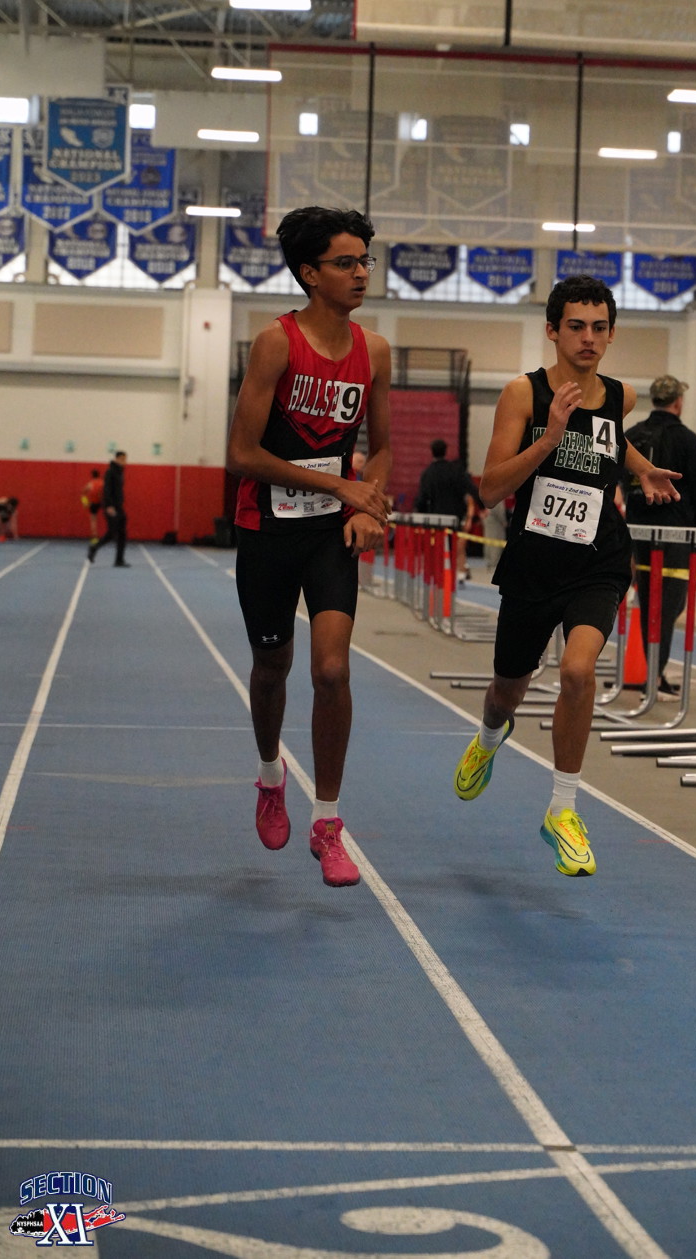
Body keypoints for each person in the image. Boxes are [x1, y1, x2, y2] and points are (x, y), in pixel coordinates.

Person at [452, 275, 680, 877]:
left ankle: (563, 809)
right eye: (576, 326)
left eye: (599, 328)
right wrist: (549, 437)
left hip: (598, 558)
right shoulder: (521, 395)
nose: (588, 338)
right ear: (553, 331)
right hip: (534, 562)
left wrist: (641, 467)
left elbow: (607, 440)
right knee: (507, 690)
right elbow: (491, 488)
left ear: (611, 334)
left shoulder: (621, 396)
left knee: (579, 672)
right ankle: (489, 737)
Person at [227, 206, 392, 889]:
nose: (361, 273)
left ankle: (328, 823)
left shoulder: (374, 351)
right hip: (268, 529)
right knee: (273, 666)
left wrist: (367, 501)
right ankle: (271, 776)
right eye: (345, 263)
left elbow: (383, 448)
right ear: (309, 273)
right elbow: (242, 453)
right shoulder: (276, 344)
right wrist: (340, 485)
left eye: (364, 261)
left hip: (330, 533)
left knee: (331, 670)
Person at [624, 375, 696, 699]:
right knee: (670, 603)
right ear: (678, 402)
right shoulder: (687, 440)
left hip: (638, 530)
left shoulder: (632, 435)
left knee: (649, 599)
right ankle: (654, 674)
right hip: (676, 533)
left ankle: (654, 671)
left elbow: (617, 479)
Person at [415, 438, 477, 582]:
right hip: (455, 516)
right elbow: (471, 488)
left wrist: (421, 513)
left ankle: (439, 574)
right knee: (458, 544)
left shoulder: (427, 474)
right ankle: (460, 571)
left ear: (432, 452)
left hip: (435, 518)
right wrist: (482, 506)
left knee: (438, 546)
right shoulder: (455, 470)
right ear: (445, 451)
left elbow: (422, 498)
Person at [87, 452, 129, 566]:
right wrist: (109, 506)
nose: (125, 462)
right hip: (111, 507)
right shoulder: (110, 472)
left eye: (125, 459)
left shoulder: (120, 472)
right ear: (117, 459)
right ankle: (94, 547)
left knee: (122, 533)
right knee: (112, 533)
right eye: (123, 459)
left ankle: (119, 560)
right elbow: (107, 490)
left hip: (119, 506)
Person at [81, 468, 103, 543]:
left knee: (93, 520)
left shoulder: (90, 484)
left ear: (92, 476)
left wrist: (85, 503)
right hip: (102, 502)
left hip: (94, 503)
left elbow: (83, 492)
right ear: (99, 475)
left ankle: (94, 537)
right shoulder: (103, 483)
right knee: (109, 518)